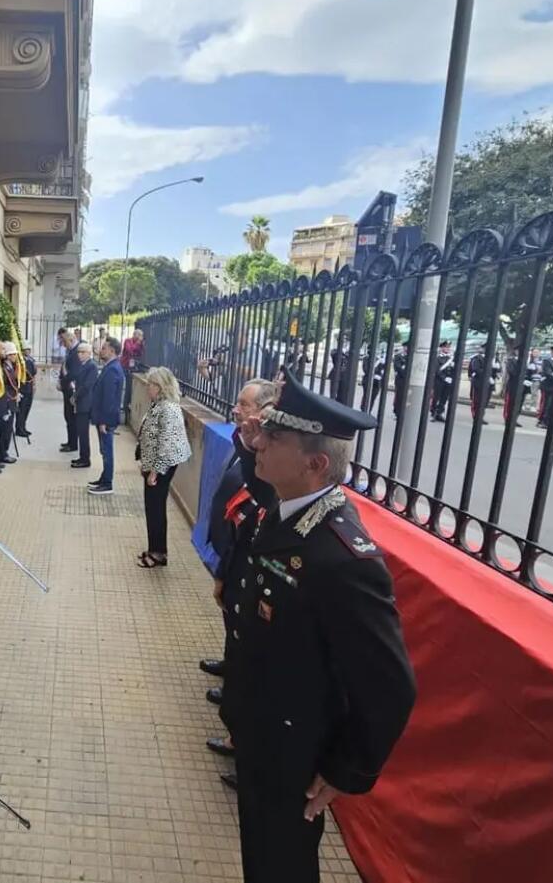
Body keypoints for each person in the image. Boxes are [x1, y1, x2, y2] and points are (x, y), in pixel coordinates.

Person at [229, 371, 416, 883]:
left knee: (282, 865)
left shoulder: (341, 556)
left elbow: (391, 685)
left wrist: (343, 770)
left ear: (315, 463)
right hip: (260, 731)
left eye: (276, 438)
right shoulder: (286, 510)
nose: (260, 442)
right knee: (261, 856)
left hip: (294, 752)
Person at [200, 379, 279, 785]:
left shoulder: (285, 500)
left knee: (251, 668)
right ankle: (235, 722)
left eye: (244, 406)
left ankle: (243, 746)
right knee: (237, 646)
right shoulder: (247, 446)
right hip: (238, 577)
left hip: (250, 585)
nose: (235, 410)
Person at [135, 367, 193, 567]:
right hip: (155, 463)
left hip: (163, 465)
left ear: (159, 387)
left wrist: (155, 470)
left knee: (156, 508)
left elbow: (166, 444)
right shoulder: (159, 404)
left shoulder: (168, 408)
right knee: (153, 507)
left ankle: (158, 553)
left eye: (150, 384)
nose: (147, 388)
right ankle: (155, 548)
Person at [89, 336, 125, 495]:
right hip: (103, 418)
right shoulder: (110, 366)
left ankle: (107, 483)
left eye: (104, 348)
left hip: (106, 419)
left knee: (107, 451)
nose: (100, 350)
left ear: (111, 350)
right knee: (104, 451)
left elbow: (109, 398)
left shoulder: (113, 369)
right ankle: (104, 478)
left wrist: (103, 420)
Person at [71, 341, 98, 469]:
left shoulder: (91, 366)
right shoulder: (83, 365)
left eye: (83, 352)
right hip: (81, 402)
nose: (80, 354)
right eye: (78, 352)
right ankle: (82, 457)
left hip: (85, 403)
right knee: (81, 431)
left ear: (89, 353)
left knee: (83, 432)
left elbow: (87, 385)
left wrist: (76, 396)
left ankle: (85, 459)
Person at [0, 342, 21, 464]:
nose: (15, 356)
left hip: (11, 400)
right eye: (13, 354)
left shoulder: (10, 365)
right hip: (6, 402)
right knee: (5, 430)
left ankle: (4, 452)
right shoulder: (4, 367)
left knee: (8, 430)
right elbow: (5, 387)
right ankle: (2, 454)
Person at [58, 327, 84, 454]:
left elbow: (73, 373)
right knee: (67, 416)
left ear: (71, 339)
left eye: (64, 341)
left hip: (71, 389)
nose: (63, 344)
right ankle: (70, 441)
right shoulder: (71, 351)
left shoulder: (75, 352)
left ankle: (73, 444)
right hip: (66, 388)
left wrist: (63, 381)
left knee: (71, 417)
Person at [468, 345, 499, 424]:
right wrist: (487, 376)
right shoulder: (477, 358)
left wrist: (497, 369)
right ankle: (476, 417)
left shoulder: (492, 359)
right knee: (477, 401)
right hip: (479, 383)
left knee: (485, 401)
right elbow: (476, 369)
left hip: (488, 383)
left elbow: (495, 370)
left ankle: (480, 416)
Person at [121, 328, 145, 423]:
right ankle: (124, 409)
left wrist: (141, 345)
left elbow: (141, 353)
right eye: (139, 336)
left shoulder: (140, 344)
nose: (140, 338)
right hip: (125, 366)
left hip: (133, 367)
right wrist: (137, 344)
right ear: (135, 335)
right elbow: (129, 350)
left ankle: (127, 410)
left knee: (130, 390)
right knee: (126, 389)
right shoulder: (128, 341)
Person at [430, 341, 455, 422]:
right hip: (439, 381)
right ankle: (433, 413)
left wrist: (451, 377)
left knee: (444, 398)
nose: (447, 348)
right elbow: (437, 370)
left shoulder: (450, 358)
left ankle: (439, 413)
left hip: (448, 382)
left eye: (448, 347)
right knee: (436, 398)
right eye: (445, 347)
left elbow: (453, 370)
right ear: (441, 348)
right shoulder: (437, 358)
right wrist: (444, 378)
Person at [16, 346, 37, 438]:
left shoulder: (31, 360)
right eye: (25, 350)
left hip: (29, 387)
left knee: (27, 409)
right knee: (22, 410)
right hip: (23, 387)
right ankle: (19, 429)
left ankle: (23, 427)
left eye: (29, 349)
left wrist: (34, 385)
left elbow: (34, 374)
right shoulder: (22, 361)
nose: (27, 351)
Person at [538, 346, 553, 427]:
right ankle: (542, 420)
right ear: (552, 352)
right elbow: (548, 373)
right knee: (546, 404)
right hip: (548, 386)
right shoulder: (547, 361)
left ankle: (548, 420)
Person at [391, 343, 409, 419]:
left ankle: (403, 412)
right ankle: (397, 412)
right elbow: (397, 367)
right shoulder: (398, 356)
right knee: (399, 397)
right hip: (401, 379)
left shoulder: (410, 357)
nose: (407, 348)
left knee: (406, 397)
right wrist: (405, 374)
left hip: (408, 380)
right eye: (406, 346)